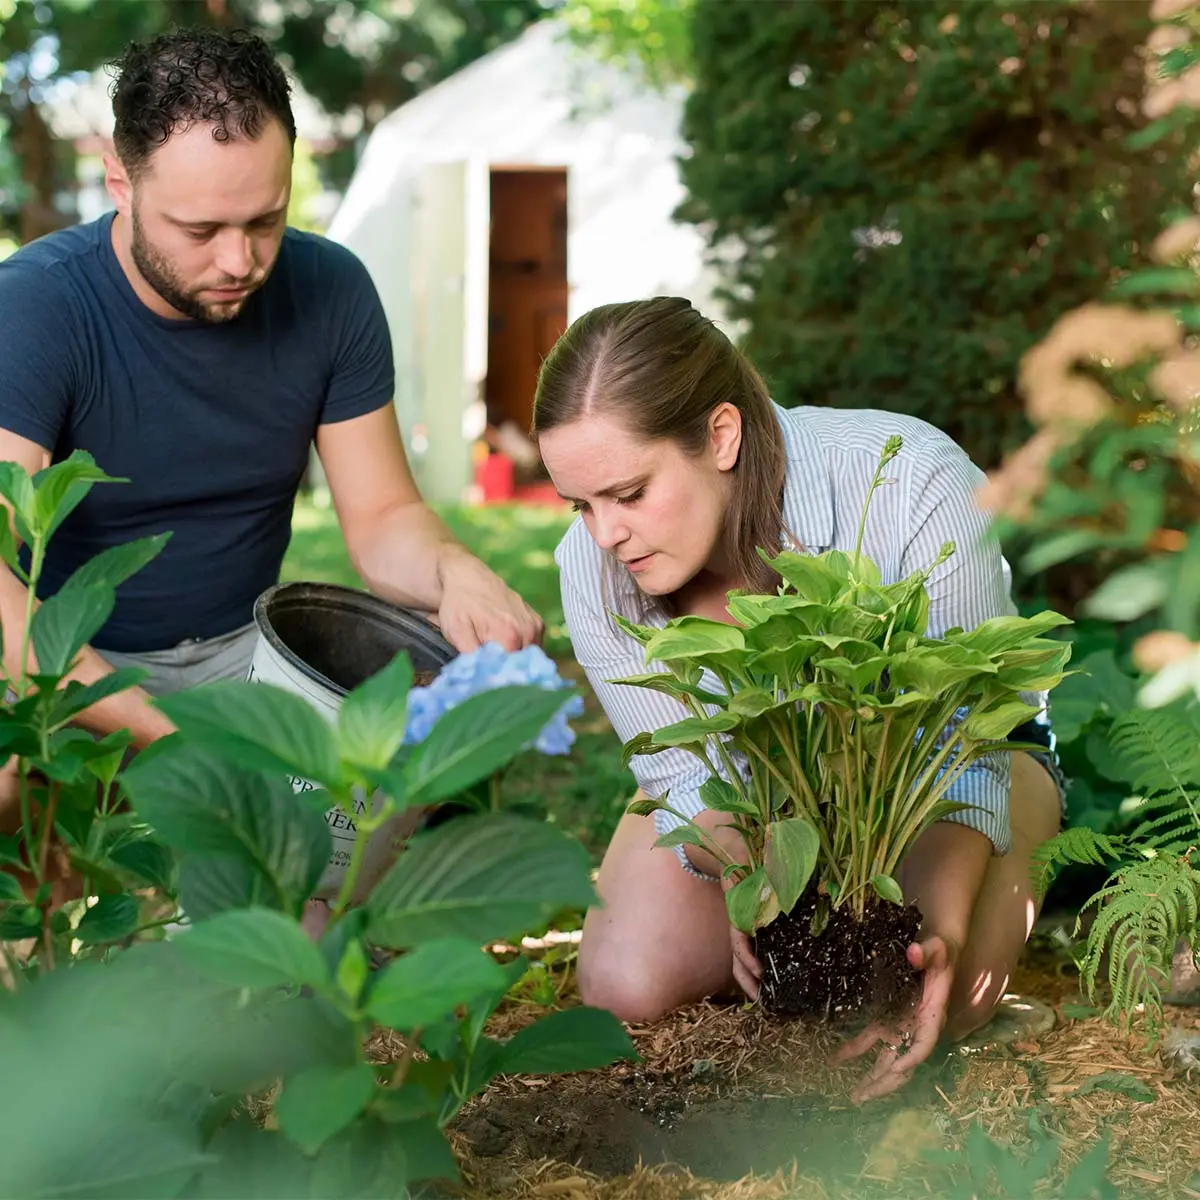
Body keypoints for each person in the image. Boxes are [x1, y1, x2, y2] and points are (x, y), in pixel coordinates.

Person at [532, 296, 1067, 1104]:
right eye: (581, 503)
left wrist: (942, 931)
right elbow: (683, 772)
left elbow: (966, 737)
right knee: (625, 983)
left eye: (630, 493)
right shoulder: (593, 561)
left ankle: (1017, 870)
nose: (604, 535)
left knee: (925, 994)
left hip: (942, 779)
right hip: (750, 797)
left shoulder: (914, 481)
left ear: (721, 435)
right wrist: (752, 885)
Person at [0, 28, 542, 767]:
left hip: (248, 656)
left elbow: (383, 517)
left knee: (382, 802)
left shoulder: (332, 291)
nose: (239, 262)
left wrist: (454, 569)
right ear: (120, 186)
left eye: (265, 220)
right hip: (67, 661)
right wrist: (163, 731)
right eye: (200, 229)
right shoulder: (35, 308)